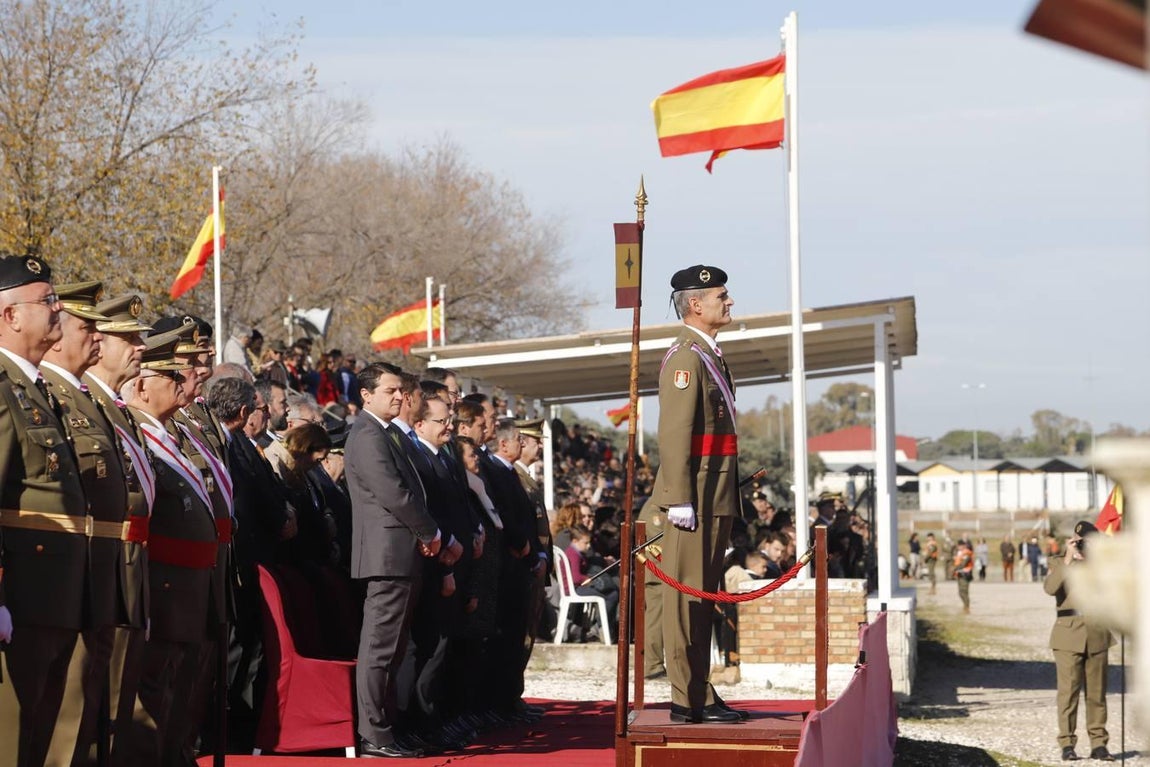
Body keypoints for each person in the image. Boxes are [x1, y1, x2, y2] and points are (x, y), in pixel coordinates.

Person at [0, 256, 92, 767]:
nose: (59, 309)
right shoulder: (3, 388)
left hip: (56, 594)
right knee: (12, 742)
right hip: (22, 597)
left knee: (41, 743)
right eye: (48, 300)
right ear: (11, 315)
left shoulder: (35, 390)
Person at [651, 264, 742, 724]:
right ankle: (685, 697)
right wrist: (679, 498)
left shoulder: (708, 354)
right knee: (686, 601)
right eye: (721, 296)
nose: (729, 302)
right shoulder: (686, 358)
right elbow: (674, 433)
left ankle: (701, 688)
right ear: (695, 304)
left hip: (714, 493)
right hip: (695, 498)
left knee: (703, 598)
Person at [345, 363, 443, 758]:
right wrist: (429, 531)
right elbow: (393, 492)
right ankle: (374, 735)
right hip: (385, 556)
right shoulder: (368, 434)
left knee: (394, 650)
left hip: (399, 554)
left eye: (401, 390)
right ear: (366, 395)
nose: (400, 397)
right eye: (390, 391)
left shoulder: (385, 433)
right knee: (380, 649)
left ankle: (387, 729)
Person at [1044, 521, 1115, 762]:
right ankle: (1067, 743)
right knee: (1068, 693)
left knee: (1097, 693)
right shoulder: (1058, 562)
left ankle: (1099, 744)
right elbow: (1050, 588)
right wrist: (1068, 558)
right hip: (1068, 633)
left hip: (1097, 631)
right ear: (1075, 540)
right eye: (1084, 541)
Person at [952, 538, 974, 614]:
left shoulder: (967, 553)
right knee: (960, 592)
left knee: (965, 592)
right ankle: (965, 605)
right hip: (959, 574)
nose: (959, 547)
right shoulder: (959, 553)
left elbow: (963, 564)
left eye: (961, 546)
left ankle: (967, 607)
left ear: (964, 546)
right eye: (958, 546)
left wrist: (954, 568)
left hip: (965, 575)